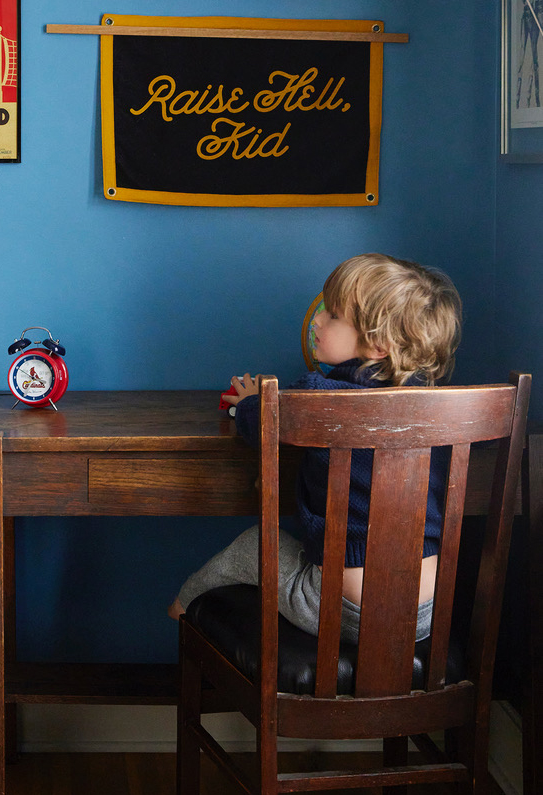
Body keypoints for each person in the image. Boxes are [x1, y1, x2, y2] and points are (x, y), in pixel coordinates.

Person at [168, 253, 462, 643]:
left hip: (338, 609)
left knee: (254, 543)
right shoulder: (443, 408)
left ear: (378, 344)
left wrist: (250, 400)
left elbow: (258, 423)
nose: (317, 320)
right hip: (423, 616)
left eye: (333, 315)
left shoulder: (319, 396)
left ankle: (182, 608)